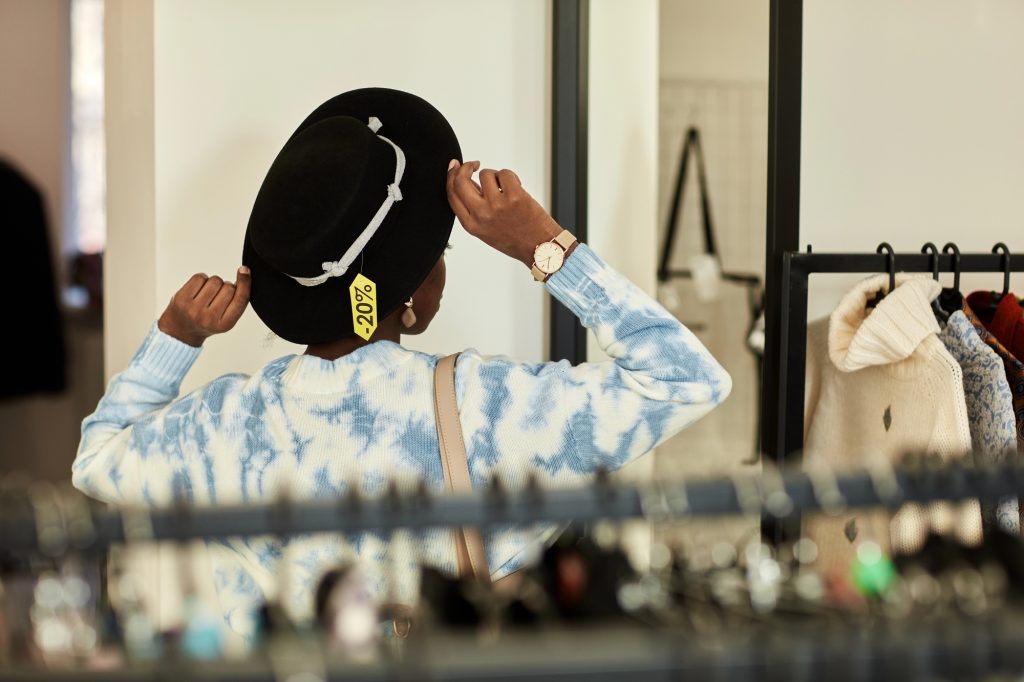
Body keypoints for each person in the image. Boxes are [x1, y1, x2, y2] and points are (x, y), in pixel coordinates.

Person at [72, 88, 731, 638]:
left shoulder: (224, 426)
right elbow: (687, 378)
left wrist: (176, 335)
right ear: (413, 295)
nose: (441, 265)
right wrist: (544, 246)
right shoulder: (493, 411)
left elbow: (97, 458)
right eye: (438, 253)